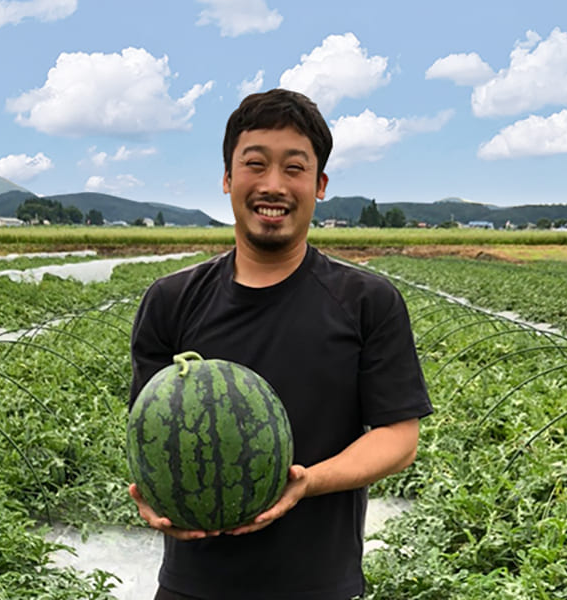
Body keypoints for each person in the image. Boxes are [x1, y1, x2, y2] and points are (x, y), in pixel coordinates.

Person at [128, 88, 433, 600]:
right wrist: (154, 498)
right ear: (227, 179)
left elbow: (399, 437)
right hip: (192, 586)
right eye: (254, 164)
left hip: (318, 585)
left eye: (294, 168)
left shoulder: (366, 300)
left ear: (320, 185)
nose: (273, 185)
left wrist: (307, 482)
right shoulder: (170, 300)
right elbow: (149, 430)